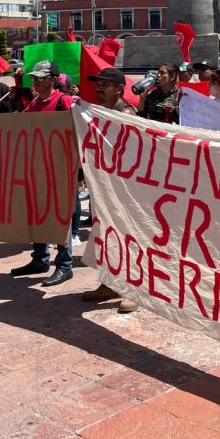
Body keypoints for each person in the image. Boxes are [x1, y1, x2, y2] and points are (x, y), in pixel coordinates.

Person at [11, 61, 77, 286]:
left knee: (59, 216)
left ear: (53, 79)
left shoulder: (63, 102)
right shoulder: (35, 103)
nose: (36, 82)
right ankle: (40, 259)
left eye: (40, 78)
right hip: (37, 169)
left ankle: (65, 265)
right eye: (34, 78)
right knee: (37, 214)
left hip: (59, 170)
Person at [80, 66, 139, 313]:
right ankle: (109, 283)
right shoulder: (101, 112)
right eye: (98, 84)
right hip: (104, 185)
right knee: (106, 235)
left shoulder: (125, 114)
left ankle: (134, 291)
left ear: (118, 89)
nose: (100, 88)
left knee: (128, 238)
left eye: (105, 85)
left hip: (123, 189)